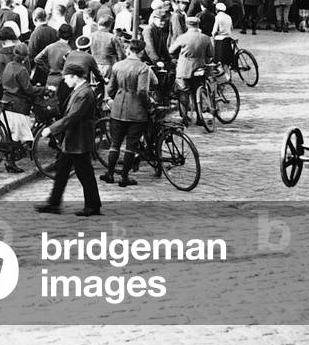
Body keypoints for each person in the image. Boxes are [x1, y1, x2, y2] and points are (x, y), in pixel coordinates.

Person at [35, 62, 102, 216]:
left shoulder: (84, 93)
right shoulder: (80, 90)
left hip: (79, 140)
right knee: (62, 171)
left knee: (84, 174)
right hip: (74, 139)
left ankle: (92, 206)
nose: (65, 81)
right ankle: (54, 203)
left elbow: (72, 117)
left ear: (74, 77)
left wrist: (51, 129)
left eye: (66, 78)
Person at [100, 39, 156, 186]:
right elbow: (142, 91)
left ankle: (110, 174)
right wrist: (148, 105)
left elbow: (111, 88)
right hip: (136, 111)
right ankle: (124, 177)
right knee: (131, 145)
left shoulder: (117, 65)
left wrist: (114, 98)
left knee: (115, 143)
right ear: (142, 51)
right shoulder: (143, 68)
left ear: (128, 50)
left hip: (118, 108)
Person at [0, 43, 40, 173]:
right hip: (17, 105)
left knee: (9, 134)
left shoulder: (9, 65)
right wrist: (43, 90)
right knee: (15, 136)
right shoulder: (22, 70)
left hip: (6, 100)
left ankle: (9, 160)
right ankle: (11, 162)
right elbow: (28, 89)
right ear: (24, 58)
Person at [168, 16, 214, 123]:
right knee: (197, 91)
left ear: (187, 25)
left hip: (184, 68)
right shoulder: (205, 38)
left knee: (183, 92)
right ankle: (199, 117)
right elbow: (211, 54)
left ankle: (184, 117)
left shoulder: (182, 37)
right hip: (199, 69)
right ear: (198, 25)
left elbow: (171, 50)